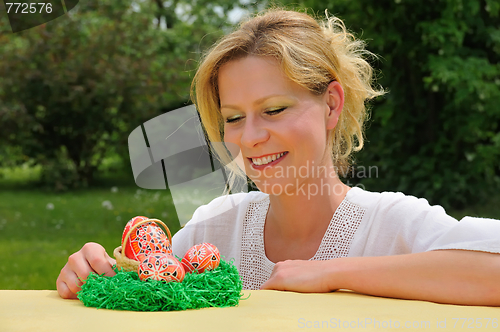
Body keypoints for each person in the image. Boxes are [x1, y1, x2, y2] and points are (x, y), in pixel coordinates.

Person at [57, 8, 500, 306]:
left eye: (274, 110)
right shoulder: (216, 225)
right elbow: (145, 286)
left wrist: (333, 274)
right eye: (233, 118)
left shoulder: (391, 224)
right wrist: (93, 270)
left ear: (331, 105)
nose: (250, 138)